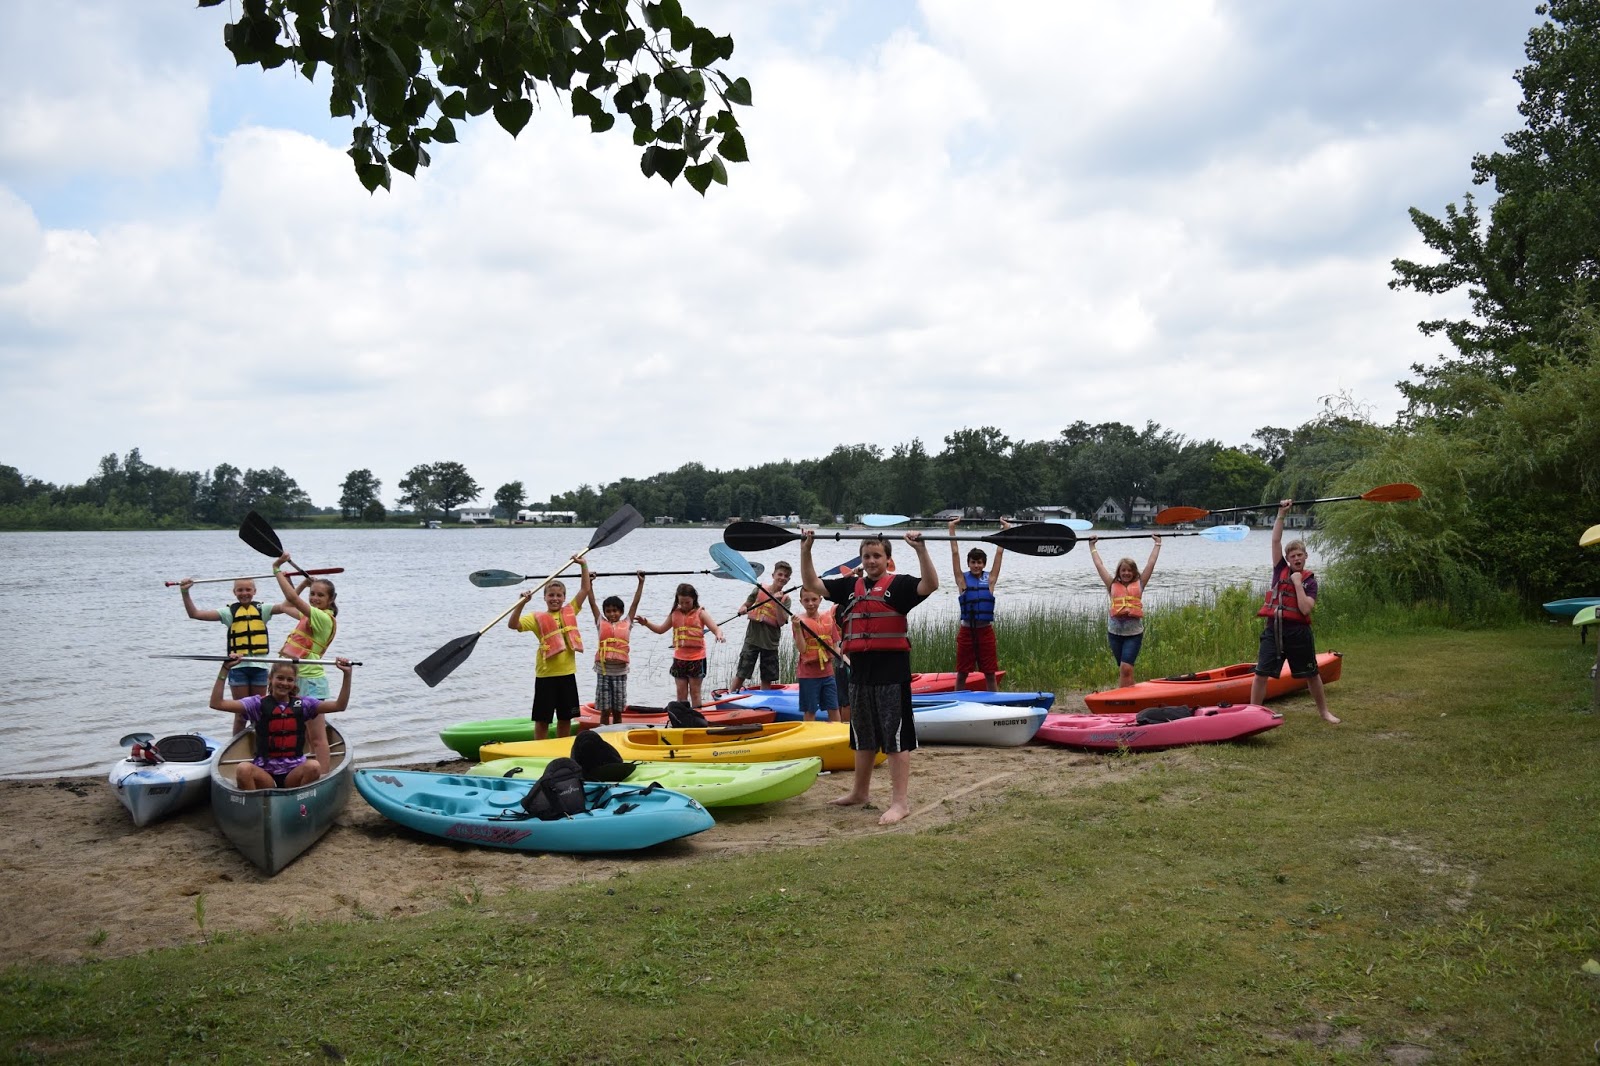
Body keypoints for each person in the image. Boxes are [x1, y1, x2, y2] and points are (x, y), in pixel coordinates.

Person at [802, 529, 937, 826]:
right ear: (861, 560)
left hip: (892, 675)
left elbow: (931, 584)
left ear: (888, 560)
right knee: (862, 737)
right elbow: (812, 583)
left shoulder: (900, 587)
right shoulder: (850, 587)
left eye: (877, 556)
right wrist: (807, 548)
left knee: (895, 739)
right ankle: (859, 793)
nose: (872, 560)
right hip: (861, 675)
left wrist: (921, 550)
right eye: (867, 556)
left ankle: (900, 803)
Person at [1249, 500, 1339, 724]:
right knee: (1261, 674)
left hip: (1298, 633)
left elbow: (1305, 608)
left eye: (1300, 555)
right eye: (1293, 556)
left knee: (1311, 674)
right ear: (1287, 560)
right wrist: (1281, 513)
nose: (1296, 558)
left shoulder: (1310, 582)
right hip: (1274, 631)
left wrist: (1298, 584)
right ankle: (1251, 715)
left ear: (1305, 557)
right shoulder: (1279, 569)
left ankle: (1324, 712)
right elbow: (1276, 540)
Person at [178, 575, 301, 734]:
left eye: (248, 589)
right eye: (240, 590)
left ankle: (261, 744)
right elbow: (195, 614)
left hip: (260, 668)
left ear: (255, 591)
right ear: (234, 592)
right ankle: (235, 746)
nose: (244, 593)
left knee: (260, 712)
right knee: (241, 714)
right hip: (239, 669)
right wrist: (185, 592)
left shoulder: (263, 610)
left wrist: (288, 580)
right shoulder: (229, 612)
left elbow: (288, 603)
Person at [208, 656, 352, 789]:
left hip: (293, 774)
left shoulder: (304, 704)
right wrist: (225, 669)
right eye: (280, 678)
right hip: (265, 774)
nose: (284, 683)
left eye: (290, 680)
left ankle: (299, 802)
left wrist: (347, 674)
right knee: (243, 769)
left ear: (295, 682)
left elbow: (340, 706)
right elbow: (216, 703)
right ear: (270, 679)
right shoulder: (257, 703)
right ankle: (256, 808)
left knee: (314, 766)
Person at [509, 557, 593, 741]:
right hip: (545, 676)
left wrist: (583, 565)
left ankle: (561, 746)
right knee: (542, 719)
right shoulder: (535, 617)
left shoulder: (571, 610)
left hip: (567, 674)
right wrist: (522, 603)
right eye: (551, 595)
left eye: (559, 595)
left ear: (564, 597)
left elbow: (585, 589)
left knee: (565, 717)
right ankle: (540, 747)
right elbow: (513, 624)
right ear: (545, 597)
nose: (555, 599)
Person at [1089, 533, 1162, 688]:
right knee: (1125, 670)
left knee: (1126, 668)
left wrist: (1157, 544)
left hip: (1133, 634)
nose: (1126, 573)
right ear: (1119, 572)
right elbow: (1099, 565)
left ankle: (1123, 700)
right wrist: (1092, 546)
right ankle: (1131, 696)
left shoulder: (1141, 583)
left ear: (1134, 572)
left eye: (1129, 570)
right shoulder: (1111, 584)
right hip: (1114, 634)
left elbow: (1151, 563)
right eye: (1123, 570)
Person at [635, 583, 726, 707]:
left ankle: (696, 719)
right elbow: (661, 629)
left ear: (694, 599)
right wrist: (646, 623)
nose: (684, 605)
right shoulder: (674, 613)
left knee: (695, 693)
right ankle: (682, 719)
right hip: (680, 659)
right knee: (681, 693)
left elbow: (716, 629)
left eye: (687, 602)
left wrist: (719, 635)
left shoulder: (701, 613)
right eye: (681, 602)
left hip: (697, 658)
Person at [948, 517, 1008, 691]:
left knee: (990, 673)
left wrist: (1005, 529)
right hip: (967, 631)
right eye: (973, 562)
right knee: (962, 672)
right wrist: (951, 529)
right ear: (968, 563)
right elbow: (954, 553)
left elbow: (999, 554)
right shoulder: (961, 580)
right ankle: (958, 701)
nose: (976, 565)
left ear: (983, 564)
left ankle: (994, 704)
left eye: (979, 562)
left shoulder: (990, 579)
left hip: (985, 631)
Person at [272, 553, 340, 700]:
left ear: (331, 599)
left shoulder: (323, 618)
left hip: (311, 680)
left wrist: (276, 569)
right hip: (297, 676)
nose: (314, 598)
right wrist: (303, 584)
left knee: (309, 722)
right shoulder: (310, 616)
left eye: (320, 595)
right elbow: (285, 606)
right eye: (312, 593)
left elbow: (292, 599)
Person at [586, 570, 647, 726]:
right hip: (603, 671)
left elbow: (635, 603)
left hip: (620, 672)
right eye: (608, 611)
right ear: (605, 612)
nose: (612, 614)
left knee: (618, 710)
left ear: (621, 612)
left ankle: (618, 733)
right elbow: (592, 602)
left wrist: (640, 583)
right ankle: (604, 734)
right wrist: (589, 583)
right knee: (605, 710)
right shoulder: (601, 622)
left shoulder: (627, 622)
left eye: (615, 611)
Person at [729, 561, 792, 693]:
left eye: (786, 576)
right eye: (780, 574)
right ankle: (730, 696)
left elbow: (781, 622)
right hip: (752, 639)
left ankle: (764, 701)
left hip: (770, 643)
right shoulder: (759, 589)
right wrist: (743, 608)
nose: (782, 578)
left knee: (767, 677)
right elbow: (747, 604)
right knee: (742, 672)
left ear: (788, 579)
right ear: (773, 575)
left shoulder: (786, 599)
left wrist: (778, 603)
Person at [791, 587, 841, 722]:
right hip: (808, 676)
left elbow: (835, 646)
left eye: (814, 599)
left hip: (828, 674)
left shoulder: (828, 619)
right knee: (810, 710)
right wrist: (796, 628)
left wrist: (846, 662)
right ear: (801, 602)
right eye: (806, 600)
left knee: (834, 708)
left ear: (820, 599)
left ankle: (837, 735)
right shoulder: (799, 622)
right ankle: (808, 737)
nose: (810, 603)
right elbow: (802, 649)